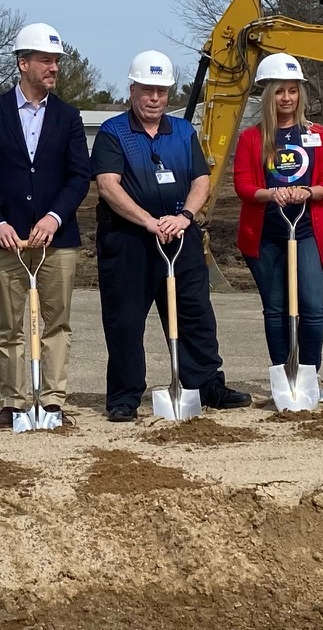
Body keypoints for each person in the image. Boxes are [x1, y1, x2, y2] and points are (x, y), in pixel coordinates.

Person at [93, 51, 252, 422]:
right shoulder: (113, 131)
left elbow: (201, 180)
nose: (154, 98)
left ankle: (204, 384)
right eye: (147, 90)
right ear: (132, 89)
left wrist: (184, 217)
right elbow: (108, 186)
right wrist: (148, 221)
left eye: (161, 92)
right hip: (128, 241)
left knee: (195, 314)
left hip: (180, 237)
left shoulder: (182, 132)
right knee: (126, 320)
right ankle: (124, 396)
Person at [0, 22, 90, 429]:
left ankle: (52, 402)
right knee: (10, 325)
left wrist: (55, 218)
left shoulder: (69, 118)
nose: (54, 68)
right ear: (23, 63)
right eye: (46, 60)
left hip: (57, 241)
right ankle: (14, 402)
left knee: (57, 322)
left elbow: (78, 177)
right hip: (6, 241)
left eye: (56, 61)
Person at [231, 54, 323, 392]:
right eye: (280, 92)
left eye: (293, 91)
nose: (287, 98)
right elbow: (243, 185)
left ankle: (310, 377)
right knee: (275, 309)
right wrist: (269, 193)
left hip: (307, 230)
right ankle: (282, 376)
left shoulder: (316, 134)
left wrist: (309, 191)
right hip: (267, 233)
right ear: (268, 95)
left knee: (311, 307)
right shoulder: (253, 137)